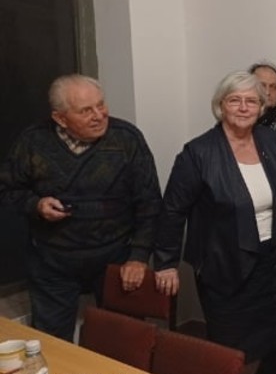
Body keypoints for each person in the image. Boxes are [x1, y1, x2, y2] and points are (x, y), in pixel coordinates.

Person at [0, 74, 163, 341]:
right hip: (52, 262)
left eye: (101, 105)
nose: (99, 116)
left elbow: (149, 201)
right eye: (86, 110)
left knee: (125, 338)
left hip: (115, 257)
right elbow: (7, 190)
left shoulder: (126, 138)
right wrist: (36, 205)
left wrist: (138, 256)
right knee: (52, 341)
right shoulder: (33, 141)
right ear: (60, 118)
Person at [154, 70, 276, 371]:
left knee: (275, 345)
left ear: (261, 107)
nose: (243, 108)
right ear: (220, 105)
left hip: (272, 264)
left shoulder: (270, 140)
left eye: (251, 101)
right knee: (232, 351)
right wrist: (165, 263)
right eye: (234, 100)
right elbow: (172, 210)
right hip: (224, 267)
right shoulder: (198, 152)